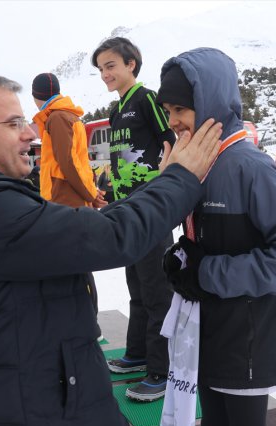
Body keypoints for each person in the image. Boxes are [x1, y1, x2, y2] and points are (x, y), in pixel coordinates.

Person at [0, 75, 223, 426]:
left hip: (24, 408)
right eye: (13, 124)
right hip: (31, 424)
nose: (28, 135)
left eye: (24, 122)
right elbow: (112, 236)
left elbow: (91, 225)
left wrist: (161, 184)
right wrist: (181, 179)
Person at [157, 48, 276, 426]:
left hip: (248, 340)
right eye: (168, 110)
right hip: (208, 331)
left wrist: (207, 274)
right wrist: (182, 253)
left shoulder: (248, 166)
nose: (174, 121)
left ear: (210, 102)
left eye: (183, 108)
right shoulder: (199, 163)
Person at [92, 36, 177, 401]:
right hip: (129, 210)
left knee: (158, 292)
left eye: (110, 65)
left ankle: (162, 371)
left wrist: (168, 175)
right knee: (137, 287)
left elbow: (170, 135)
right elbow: (123, 156)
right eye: (100, 69)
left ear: (131, 64)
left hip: (153, 209)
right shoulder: (117, 109)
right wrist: (109, 190)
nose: (105, 73)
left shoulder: (146, 99)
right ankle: (138, 353)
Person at [31, 72, 106, 335]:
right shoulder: (66, 115)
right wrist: (90, 190)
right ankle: (84, 321)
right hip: (70, 198)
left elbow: (68, 162)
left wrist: (88, 193)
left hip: (64, 201)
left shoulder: (57, 117)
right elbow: (80, 161)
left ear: (35, 96)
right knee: (76, 265)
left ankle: (86, 323)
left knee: (74, 267)